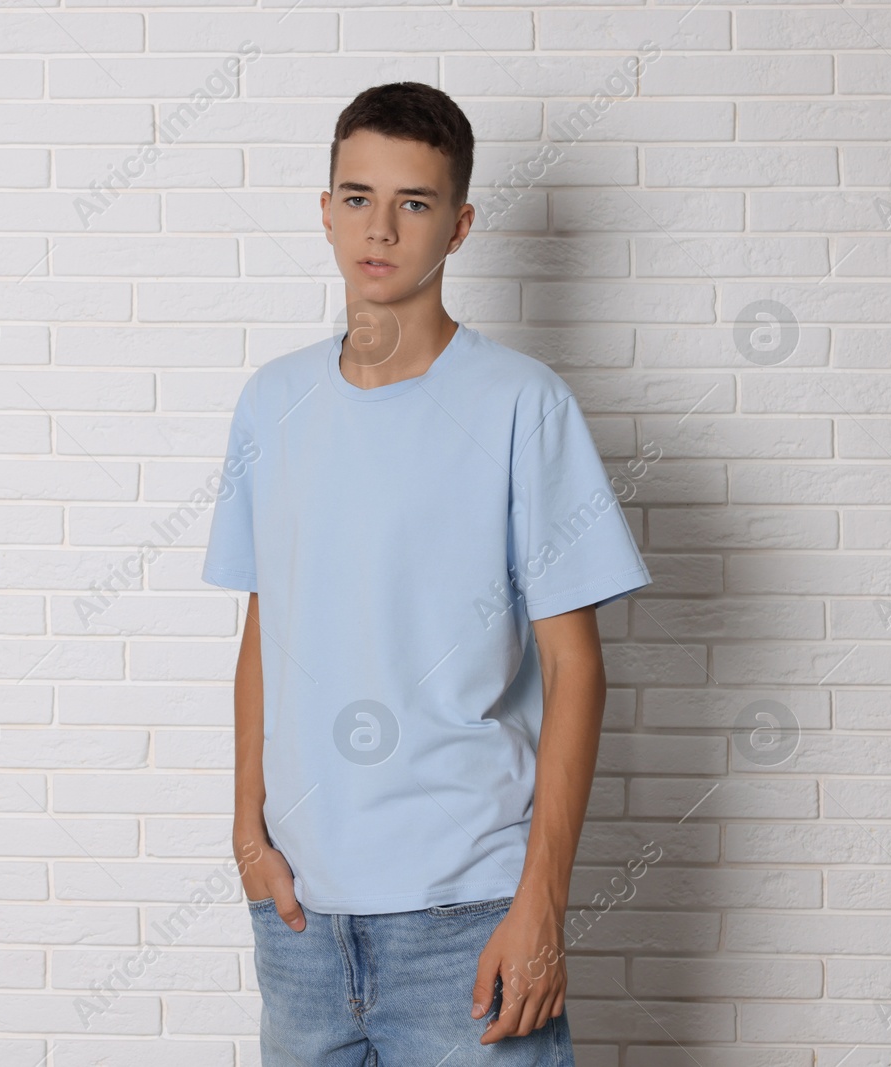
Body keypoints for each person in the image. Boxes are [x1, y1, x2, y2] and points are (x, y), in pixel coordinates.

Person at [201, 81, 653, 1066]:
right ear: (323, 209)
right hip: (300, 927)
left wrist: (541, 903)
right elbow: (263, 625)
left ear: (458, 225)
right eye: (357, 196)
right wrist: (248, 837)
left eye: (414, 202)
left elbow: (576, 667)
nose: (380, 227)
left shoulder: (520, 405)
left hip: (468, 918)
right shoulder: (269, 403)